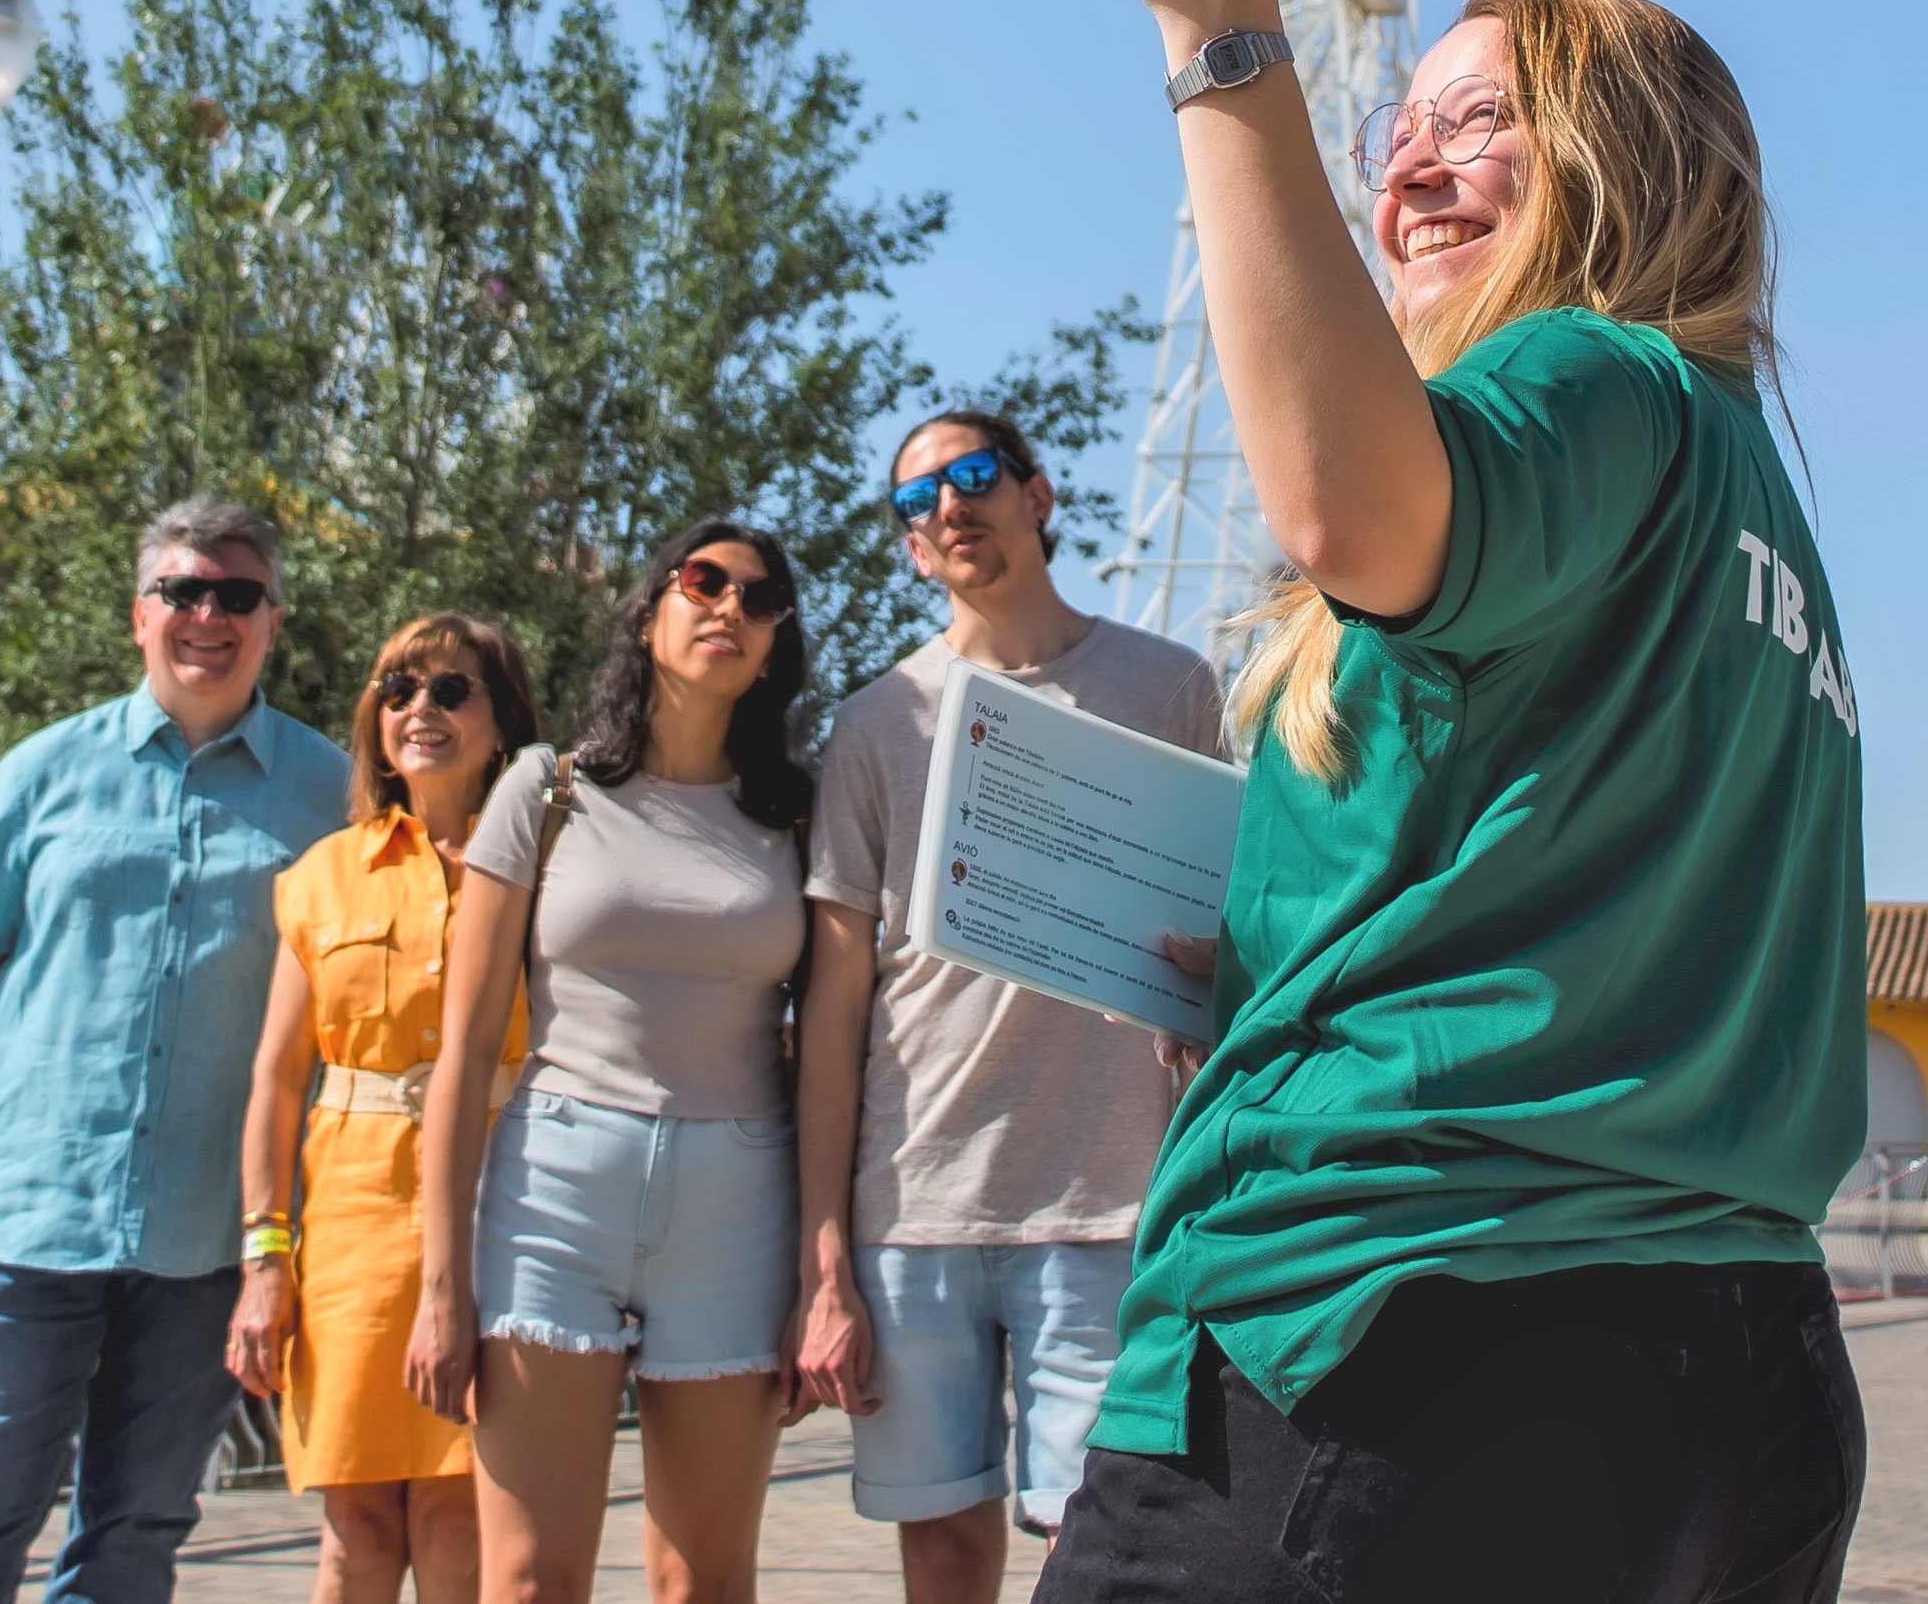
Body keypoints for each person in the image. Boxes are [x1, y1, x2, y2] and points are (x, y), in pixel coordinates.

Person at [1031, 0, 1871, 1604]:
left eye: (1474, 123)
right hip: (1719, 1372)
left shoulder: (1604, 379)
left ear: (1622, 164)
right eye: (1392, 122)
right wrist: (1270, 980)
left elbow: (1350, 505)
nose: (1402, 163)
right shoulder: (1748, 505)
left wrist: (1222, 28)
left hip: (1402, 1342)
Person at [0, 501, 354, 1604]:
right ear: (139, 615)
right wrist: (17, 1098)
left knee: (138, 1532)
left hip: (208, 1239)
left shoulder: (329, 794)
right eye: (182, 592)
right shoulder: (44, 770)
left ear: (272, 622)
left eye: (236, 595)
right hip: (32, 1219)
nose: (208, 615)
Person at [791, 408, 1220, 1600]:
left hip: (1106, 1203)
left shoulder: (1172, 685)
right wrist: (824, 1262)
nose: (947, 507)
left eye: (974, 477)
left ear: (1035, 496)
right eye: (916, 501)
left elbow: (1246, 916)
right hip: (917, 1206)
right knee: (940, 1557)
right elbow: (834, 1009)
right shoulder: (878, 723)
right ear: (911, 548)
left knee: (1097, 1553)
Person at [406, 522, 817, 1604]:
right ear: (650, 614)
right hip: (554, 1192)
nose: (730, 606)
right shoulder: (545, 792)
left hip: (738, 1200)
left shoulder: (799, 819)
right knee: (530, 1580)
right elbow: (460, 1056)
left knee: (704, 1581)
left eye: (761, 597)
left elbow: (832, 1051)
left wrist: (824, 1275)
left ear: (775, 644)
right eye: (704, 581)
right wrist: (441, 1287)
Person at [229, 613, 546, 1604]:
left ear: (501, 722)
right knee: (358, 1528)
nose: (422, 710)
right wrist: (264, 1258)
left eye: (453, 690)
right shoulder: (322, 877)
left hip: (510, 1210)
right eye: (400, 690)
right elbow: (277, 1080)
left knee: (460, 1519)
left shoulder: (556, 866)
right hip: (354, 1232)